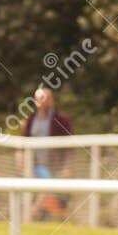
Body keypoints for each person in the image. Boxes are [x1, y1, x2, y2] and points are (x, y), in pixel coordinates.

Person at [22, 87, 74, 221]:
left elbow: (70, 147)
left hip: (56, 169)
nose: (43, 102)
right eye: (40, 99)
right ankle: (34, 216)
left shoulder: (61, 121)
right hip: (36, 168)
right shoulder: (30, 121)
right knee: (44, 191)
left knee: (49, 192)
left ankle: (32, 215)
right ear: (35, 101)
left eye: (46, 98)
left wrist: (67, 167)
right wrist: (21, 163)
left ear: (52, 100)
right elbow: (22, 145)